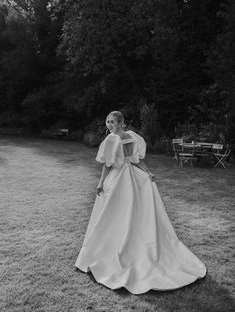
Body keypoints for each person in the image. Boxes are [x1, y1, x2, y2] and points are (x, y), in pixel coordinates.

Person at [75, 111, 206, 294]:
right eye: (108, 122)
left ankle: (119, 245)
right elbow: (133, 161)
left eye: (113, 122)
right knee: (129, 211)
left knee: (119, 212)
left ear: (121, 123)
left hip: (120, 179)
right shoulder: (130, 137)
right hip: (129, 177)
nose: (109, 125)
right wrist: (146, 172)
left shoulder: (113, 139)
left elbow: (112, 164)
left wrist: (102, 183)